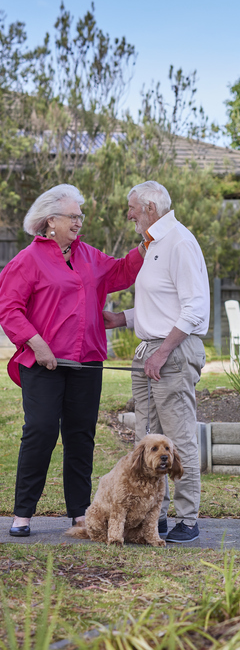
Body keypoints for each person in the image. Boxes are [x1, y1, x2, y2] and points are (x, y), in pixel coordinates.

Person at [0, 184, 144, 537]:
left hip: (87, 361)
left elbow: (122, 273)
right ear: (51, 221)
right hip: (44, 363)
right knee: (41, 431)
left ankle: (80, 511)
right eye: (74, 216)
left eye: (81, 216)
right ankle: (22, 514)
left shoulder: (90, 256)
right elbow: (9, 309)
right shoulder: (27, 261)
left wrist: (149, 243)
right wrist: (38, 344)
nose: (80, 221)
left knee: (81, 435)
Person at [104, 181, 210, 543]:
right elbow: (163, 304)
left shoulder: (179, 241)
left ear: (150, 207)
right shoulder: (152, 246)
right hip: (150, 352)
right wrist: (122, 319)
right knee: (146, 439)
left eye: (131, 207)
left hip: (172, 354)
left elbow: (194, 308)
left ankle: (188, 519)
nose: (128, 213)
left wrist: (163, 351)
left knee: (177, 439)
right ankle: (154, 517)